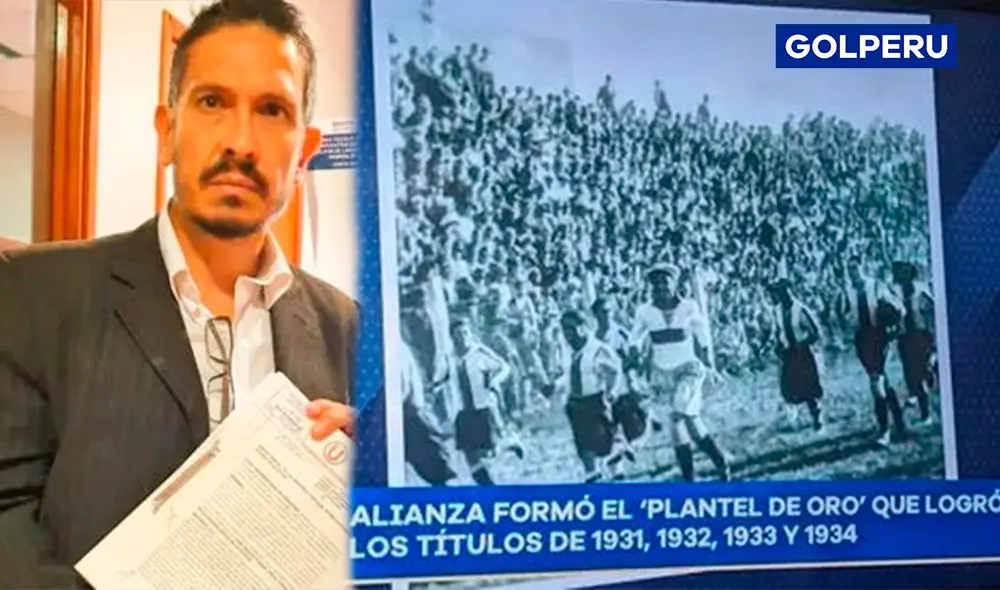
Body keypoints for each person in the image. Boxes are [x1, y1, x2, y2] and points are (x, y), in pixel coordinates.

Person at [0, 1, 355, 586]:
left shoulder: (347, 328)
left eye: (272, 110)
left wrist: (379, 487)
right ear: (167, 131)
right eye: (212, 101)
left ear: (304, 154)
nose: (240, 141)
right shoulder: (31, 295)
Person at [628, 262, 730, 483]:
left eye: (665, 282)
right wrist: (634, 350)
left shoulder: (688, 307)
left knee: (677, 414)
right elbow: (635, 336)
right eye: (655, 283)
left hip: (689, 372)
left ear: (675, 284)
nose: (660, 287)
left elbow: (702, 336)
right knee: (689, 425)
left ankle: (696, 475)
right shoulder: (645, 311)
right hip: (662, 375)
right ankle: (715, 465)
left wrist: (709, 363)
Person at [769, 278, 825, 432]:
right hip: (789, 354)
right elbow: (778, 331)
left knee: (810, 388)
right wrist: (778, 344)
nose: (782, 295)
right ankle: (794, 419)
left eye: (784, 291)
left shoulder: (800, 309)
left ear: (789, 290)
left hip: (803, 353)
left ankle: (817, 419)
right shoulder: (777, 311)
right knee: (790, 388)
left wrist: (804, 343)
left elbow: (815, 332)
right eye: (779, 292)